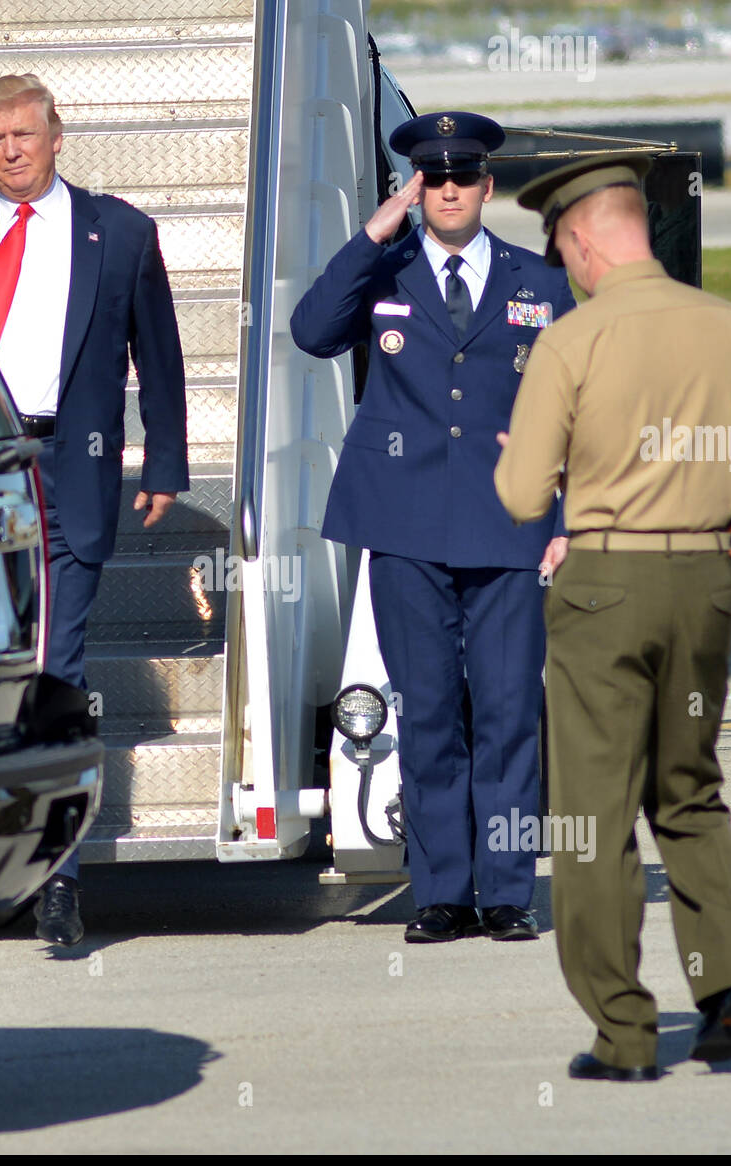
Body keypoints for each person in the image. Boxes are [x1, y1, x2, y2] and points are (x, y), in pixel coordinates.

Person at [0, 73, 189, 946]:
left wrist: (163, 457)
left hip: (71, 467)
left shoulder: (120, 231)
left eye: (23, 134)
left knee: (59, 672)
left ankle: (59, 878)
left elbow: (158, 356)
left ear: (59, 134)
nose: (10, 151)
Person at [494, 152, 731, 1081]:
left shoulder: (572, 339)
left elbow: (522, 489)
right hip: (707, 576)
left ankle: (624, 1030)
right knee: (689, 788)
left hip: (606, 585)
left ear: (578, 239)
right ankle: (730, 979)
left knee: (591, 816)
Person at [291, 112, 575, 944]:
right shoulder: (387, 269)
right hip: (406, 524)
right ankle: (443, 890)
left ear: (488, 187)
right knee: (427, 716)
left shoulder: (541, 284)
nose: (448, 190)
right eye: (432, 178)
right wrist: (374, 233)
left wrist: (565, 519)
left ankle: (508, 890)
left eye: (463, 176)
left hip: (509, 525)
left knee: (508, 711)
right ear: (415, 190)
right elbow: (311, 332)